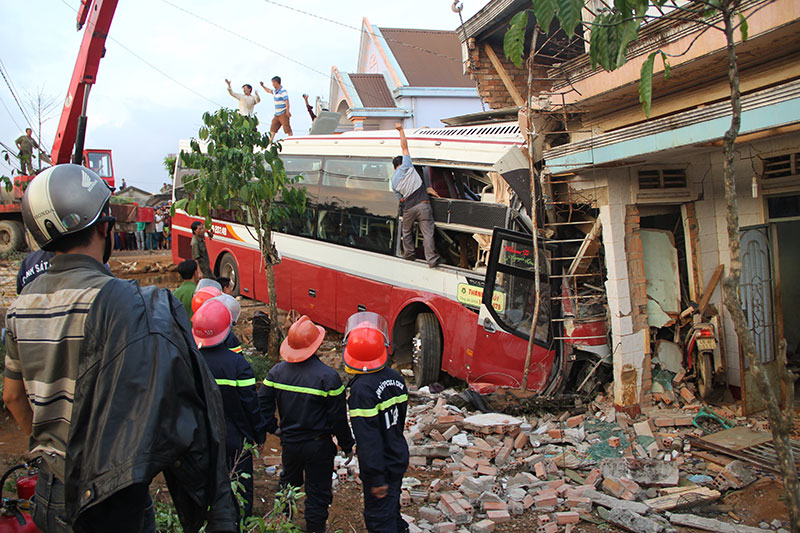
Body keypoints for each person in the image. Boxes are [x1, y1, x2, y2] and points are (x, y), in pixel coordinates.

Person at [2, 164, 237, 532]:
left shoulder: (20, 308)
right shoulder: (132, 304)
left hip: (51, 491)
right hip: (110, 493)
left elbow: (13, 397)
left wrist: (56, 452)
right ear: (103, 227)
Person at [258, 316, 355, 533]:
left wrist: (273, 427)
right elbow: (338, 418)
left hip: (290, 443)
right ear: (316, 344)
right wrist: (347, 445)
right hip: (318, 446)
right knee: (317, 495)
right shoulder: (328, 378)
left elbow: (262, 401)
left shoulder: (277, 373)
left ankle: (282, 526)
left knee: (287, 486)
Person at [193, 299, 266, 520]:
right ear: (227, 329)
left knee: (207, 485)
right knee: (239, 486)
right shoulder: (237, 365)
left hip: (201, 437)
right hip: (236, 439)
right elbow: (250, 405)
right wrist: (259, 434)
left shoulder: (190, 362)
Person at [343, 312, 410, 533]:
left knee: (379, 518)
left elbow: (368, 440)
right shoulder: (397, 378)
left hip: (380, 467)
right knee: (392, 507)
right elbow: (399, 421)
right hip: (397, 456)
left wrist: (376, 477)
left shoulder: (362, 391)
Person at [391, 123, 441, 268]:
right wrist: (401, 130)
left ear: (394, 167)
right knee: (427, 233)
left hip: (409, 209)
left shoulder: (394, 182)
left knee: (406, 231)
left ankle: (409, 254)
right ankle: (431, 260)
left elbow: (401, 198)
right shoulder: (408, 165)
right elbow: (404, 146)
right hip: (424, 205)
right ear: (402, 162)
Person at [260, 76, 292, 141]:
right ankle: (270, 142)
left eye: (273, 83)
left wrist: (287, 111)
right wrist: (263, 86)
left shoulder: (283, 91)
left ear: (276, 82)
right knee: (273, 127)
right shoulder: (275, 91)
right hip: (277, 114)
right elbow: (268, 90)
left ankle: (291, 139)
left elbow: (287, 101)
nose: (273, 84)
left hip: (283, 113)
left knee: (287, 128)